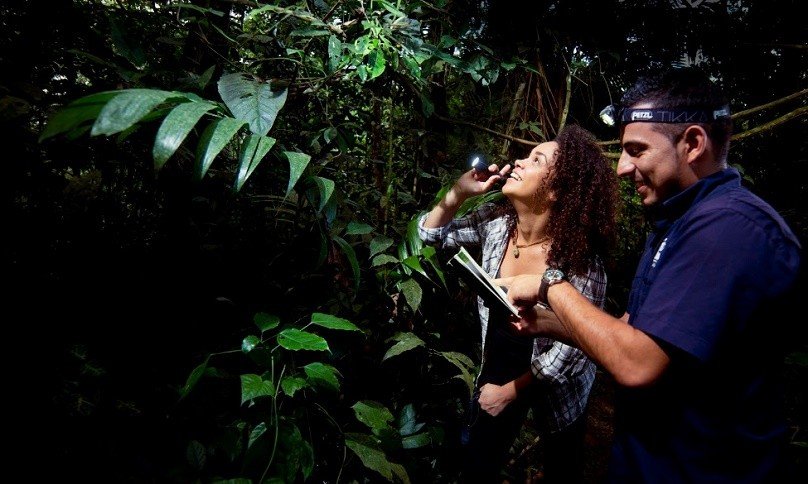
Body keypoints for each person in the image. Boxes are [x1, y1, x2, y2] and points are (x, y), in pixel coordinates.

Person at [496, 67, 802, 483]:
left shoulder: (728, 228)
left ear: (693, 142)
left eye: (637, 150)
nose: (622, 168)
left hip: (706, 469)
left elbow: (637, 363)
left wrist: (552, 285)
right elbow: (636, 330)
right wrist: (548, 324)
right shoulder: (679, 219)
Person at [418, 124, 619, 483]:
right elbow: (430, 236)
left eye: (535, 159)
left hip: (556, 381)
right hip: (502, 353)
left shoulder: (581, 263)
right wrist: (457, 194)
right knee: (479, 456)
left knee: (563, 459)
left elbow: (566, 358)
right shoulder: (497, 224)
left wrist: (511, 392)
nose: (518, 162)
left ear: (557, 191)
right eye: (525, 155)